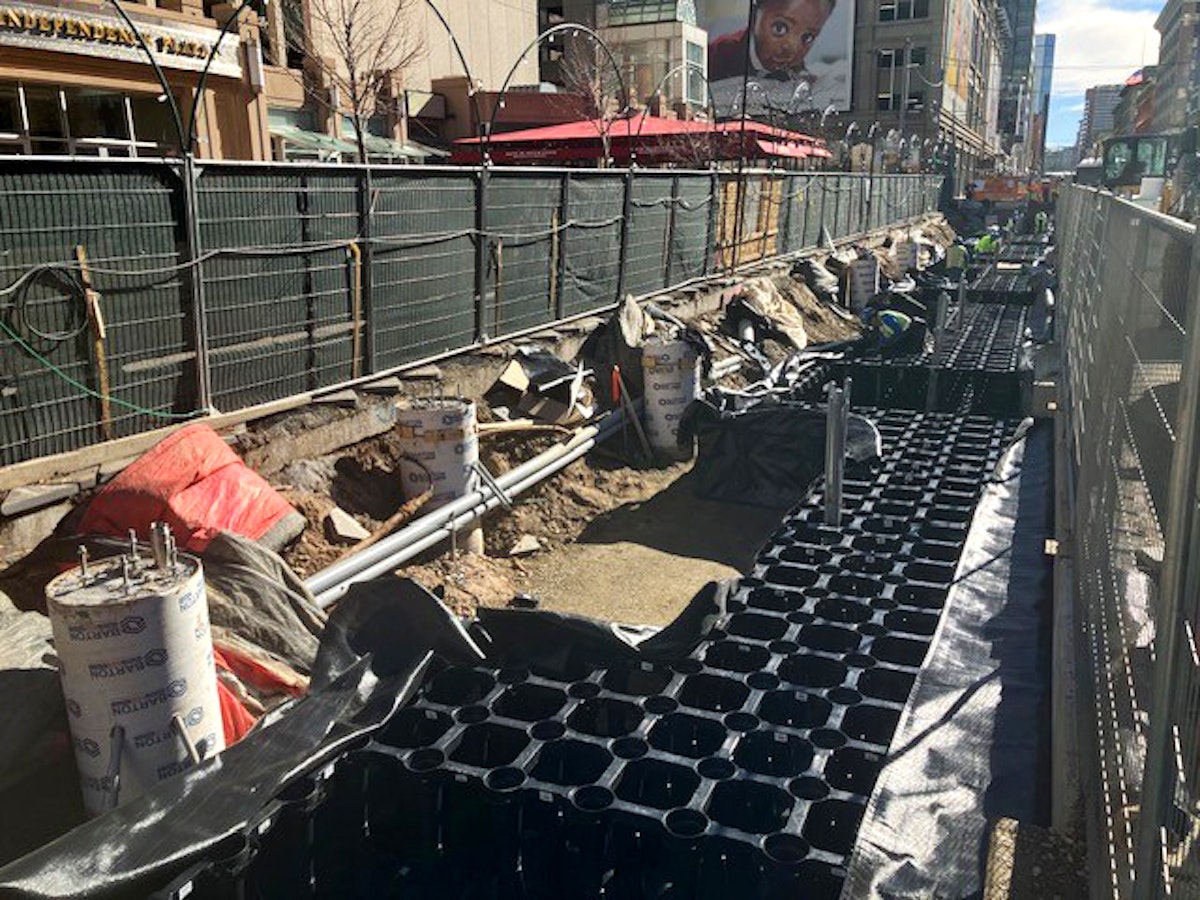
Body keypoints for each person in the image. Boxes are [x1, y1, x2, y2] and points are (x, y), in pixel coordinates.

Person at [708, 0, 836, 82]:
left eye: (807, 37)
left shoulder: (793, 66)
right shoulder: (722, 52)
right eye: (780, 28)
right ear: (754, 13)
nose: (791, 49)